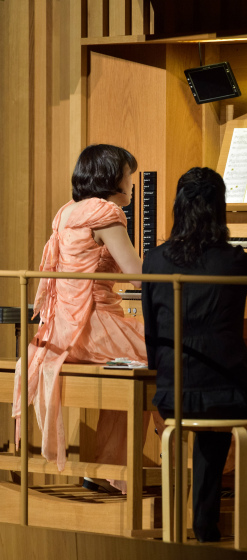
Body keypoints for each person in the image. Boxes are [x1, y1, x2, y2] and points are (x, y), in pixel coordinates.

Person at [142, 167, 247, 542]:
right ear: (219, 210)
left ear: (178, 208)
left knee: (207, 403)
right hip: (226, 391)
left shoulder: (154, 260)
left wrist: (165, 381)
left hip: (172, 395)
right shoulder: (232, 260)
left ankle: (205, 523)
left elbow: (151, 333)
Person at [12, 144, 161, 492]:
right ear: (113, 176)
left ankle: (112, 469)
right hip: (93, 325)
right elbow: (137, 276)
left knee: (131, 372)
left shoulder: (68, 211)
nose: (132, 182)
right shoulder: (106, 212)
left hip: (61, 328)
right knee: (163, 359)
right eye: (129, 174)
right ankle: (213, 461)